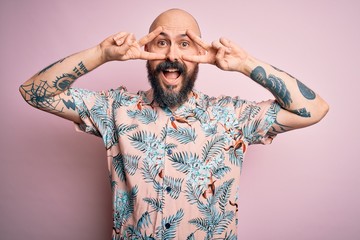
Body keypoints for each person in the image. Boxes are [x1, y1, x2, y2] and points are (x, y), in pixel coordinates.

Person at [19, 8, 328, 240]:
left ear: (200, 54)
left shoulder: (232, 117)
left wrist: (245, 64)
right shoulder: (115, 109)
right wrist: (101, 54)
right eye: (161, 42)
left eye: (184, 44)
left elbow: (313, 109)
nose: (171, 54)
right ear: (146, 52)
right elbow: (34, 93)